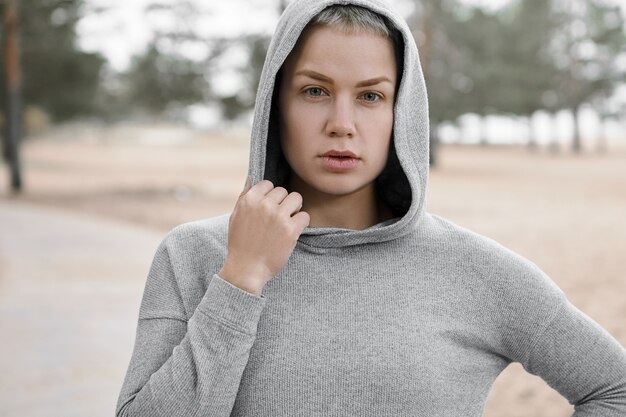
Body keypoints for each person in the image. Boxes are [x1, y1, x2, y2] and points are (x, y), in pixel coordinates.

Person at [116, 0, 626, 415]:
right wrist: (241, 279)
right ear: (277, 105)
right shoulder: (194, 257)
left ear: (402, 111)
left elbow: (614, 390)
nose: (342, 122)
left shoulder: (478, 271)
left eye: (370, 96)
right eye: (315, 91)